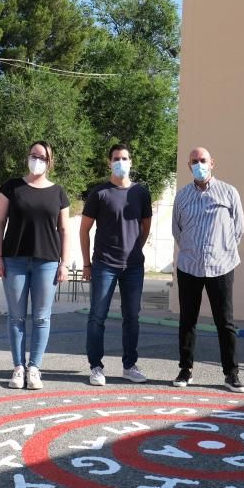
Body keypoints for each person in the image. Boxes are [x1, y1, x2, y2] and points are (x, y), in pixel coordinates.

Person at [0, 141, 70, 390]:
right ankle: (18, 367)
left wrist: (64, 263)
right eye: (34, 155)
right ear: (27, 157)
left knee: (41, 317)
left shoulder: (58, 193)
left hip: (47, 261)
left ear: (50, 161)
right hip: (14, 260)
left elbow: (64, 229)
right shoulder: (12, 187)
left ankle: (34, 367)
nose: (37, 160)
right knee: (16, 316)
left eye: (42, 157)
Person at [171, 147, 244, 393]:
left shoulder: (229, 192)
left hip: (221, 266)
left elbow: (239, 228)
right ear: (188, 165)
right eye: (194, 161)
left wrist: (222, 249)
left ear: (212, 163)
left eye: (203, 160)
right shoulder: (182, 196)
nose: (199, 164)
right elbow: (177, 230)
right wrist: (192, 251)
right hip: (189, 266)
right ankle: (185, 369)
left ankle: (231, 373)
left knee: (225, 322)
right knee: (187, 321)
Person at [80, 144, 153, 386]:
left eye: (124, 158)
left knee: (132, 316)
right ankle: (96, 367)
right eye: (116, 158)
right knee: (97, 316)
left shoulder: (141, 193)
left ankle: (129, 365)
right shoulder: (99, 193)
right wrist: (87, 264)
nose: (120, 162)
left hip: (133, 267)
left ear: (131, 162)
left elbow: (145, 227)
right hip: (104, 265)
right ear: (109, 162)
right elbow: (84, 230)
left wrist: (135, 250)